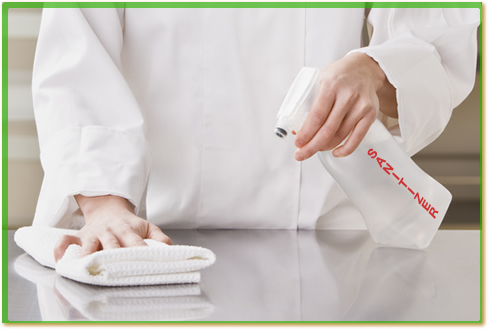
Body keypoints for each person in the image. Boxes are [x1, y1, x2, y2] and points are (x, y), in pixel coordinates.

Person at [30, 7, 479, 261]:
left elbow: (438, 42)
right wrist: (105, 206)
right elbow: (76, 56)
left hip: (327, 245)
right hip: (147, 237)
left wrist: (372, 70)